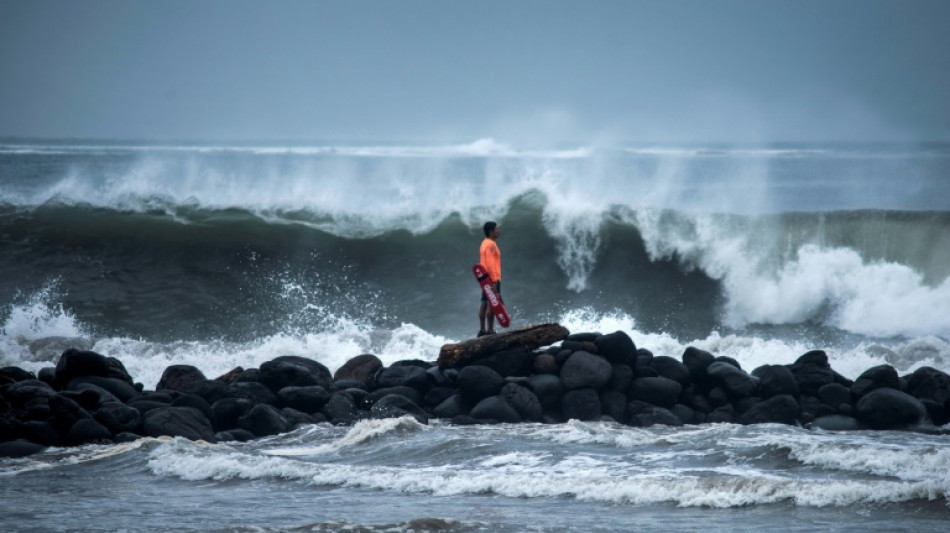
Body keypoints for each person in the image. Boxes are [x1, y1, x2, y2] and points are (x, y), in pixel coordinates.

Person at [478, 221, 502, 336]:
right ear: (490, 231)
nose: (499, 231)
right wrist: (494, 281)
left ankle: (482, 330)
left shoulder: (484, 243)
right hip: (491, 278)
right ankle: (490, 330)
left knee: (484, 302)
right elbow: (490, 263)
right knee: (491, 304)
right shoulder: (491, 245)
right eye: (496, 229)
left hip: (483, 277)